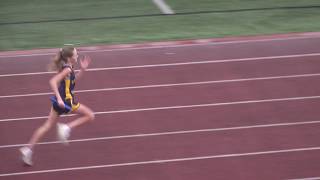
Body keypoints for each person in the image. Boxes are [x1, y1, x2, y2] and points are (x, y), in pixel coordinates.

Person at [19, 46, 95, 166]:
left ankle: (28, 149)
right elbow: (53, 82)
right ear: (70, 58)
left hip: (59, 101)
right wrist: (60, 99)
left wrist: (83, 70)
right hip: (65, 101)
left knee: (47, 126)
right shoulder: (67, 69)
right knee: (90, 115)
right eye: (76, 55)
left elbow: (72, 82)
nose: (77, 56)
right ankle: (66, 127)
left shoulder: (67, 67)